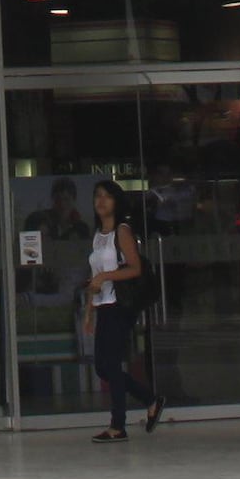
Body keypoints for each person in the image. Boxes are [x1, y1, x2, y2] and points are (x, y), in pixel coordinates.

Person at [82, 187, 158, 440]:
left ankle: (118, 425)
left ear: (116, 201)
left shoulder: (121, 231)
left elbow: (135, 268)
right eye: (97, 196)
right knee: (103, 368)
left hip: (120, 304)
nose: (101, 201)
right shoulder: (97, 236)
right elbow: (93, 277)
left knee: (111, 364)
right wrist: (88, 311)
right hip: (103, 305)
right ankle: (150, 399)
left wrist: (105, 276)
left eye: (107, 196)